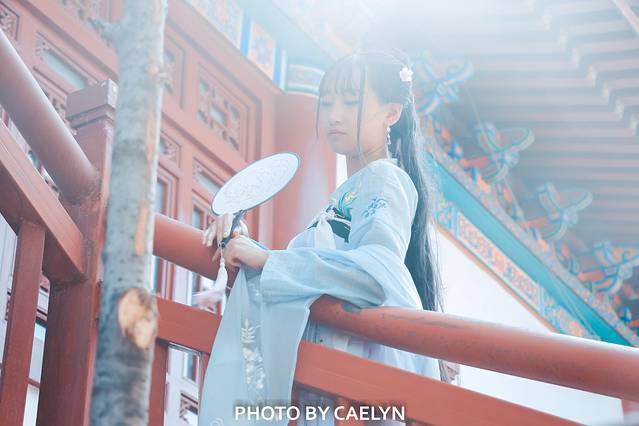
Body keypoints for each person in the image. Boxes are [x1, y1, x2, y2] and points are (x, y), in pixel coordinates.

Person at [197, 48, 446, 426]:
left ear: (391, 113)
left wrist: (268, 259)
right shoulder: (346, 195)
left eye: (351, 101)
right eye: (327, 103)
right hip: (338, 385)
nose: (334, 115)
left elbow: (374, 273)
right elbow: (315, 275)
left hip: (355, 387)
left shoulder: (384, 178)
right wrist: (241, 242)